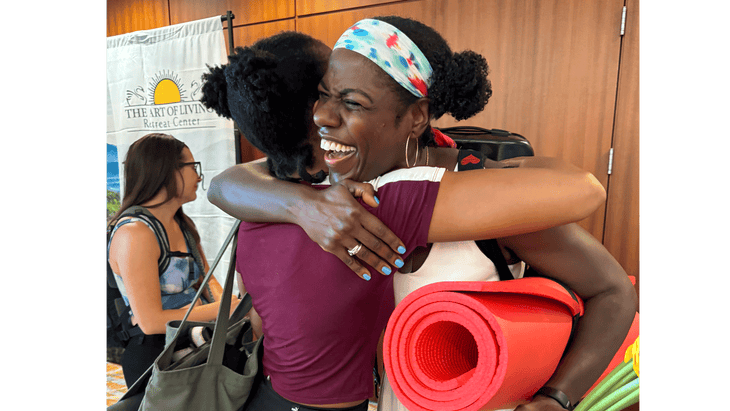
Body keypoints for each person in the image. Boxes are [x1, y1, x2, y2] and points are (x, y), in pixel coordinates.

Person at [201, 24, 612, 411]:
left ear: (415, 116)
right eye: (323, 95)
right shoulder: (337, 184)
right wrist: (302, 204)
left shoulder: (473, 194)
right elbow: (227, 182)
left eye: (351, 101)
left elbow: (610, 289)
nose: (323, 116)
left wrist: (559, 398)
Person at [106, 133, 240, 387]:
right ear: (166, 170)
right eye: (192, 167)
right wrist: (226, 309)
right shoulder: (135, 233)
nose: (199, 176)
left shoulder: (182, 224)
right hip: (158, 360)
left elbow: (207, 284)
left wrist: (230, 308)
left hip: (196, 346)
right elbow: (151, 321)